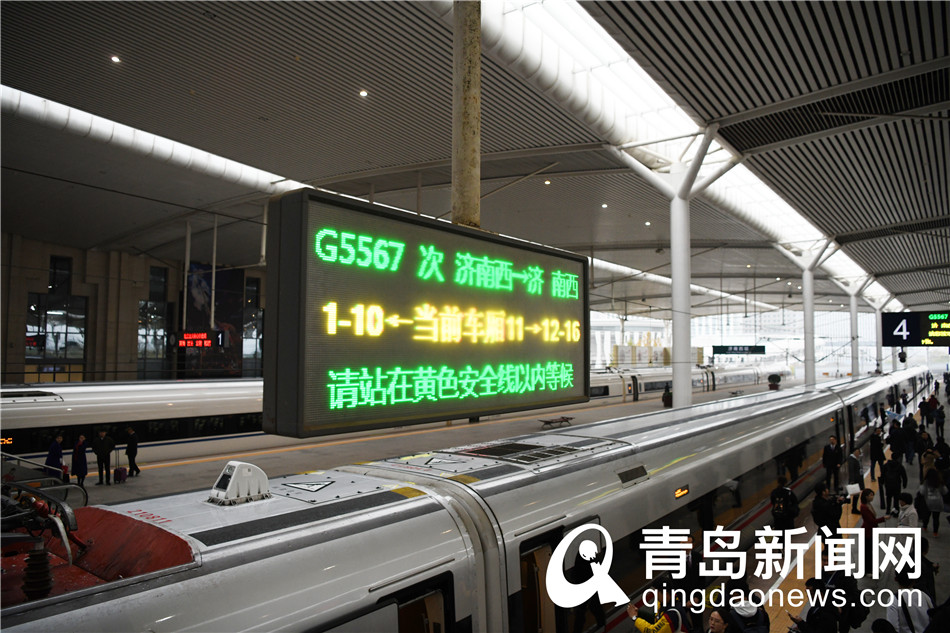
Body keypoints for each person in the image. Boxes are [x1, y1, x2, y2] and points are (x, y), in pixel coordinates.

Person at [811, 483, 845, 554]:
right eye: (826, 489)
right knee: (831, 543)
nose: (828, 490)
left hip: (823, 528)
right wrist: (838, 505)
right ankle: (827, 557)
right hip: (830, 528)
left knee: (828, 545)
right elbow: (836, 516)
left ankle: (827, 555)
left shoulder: (816, 502)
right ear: (823, 492)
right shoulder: (826, 505)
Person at [860, 488, 886, 571]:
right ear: (866, 496)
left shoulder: (869, 505)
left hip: (871, 530)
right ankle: (868, 569)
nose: (872, 497)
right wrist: (883, 518)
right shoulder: (864, 507)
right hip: (867, 531)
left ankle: (871, 568)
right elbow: (871, 521)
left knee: (871, 550)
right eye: (871, 495)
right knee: (868, 551)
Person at [917, 469, 948, 537]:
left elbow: (922, 492)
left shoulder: (926, 482)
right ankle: (935, 532)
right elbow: (945, 491)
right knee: (936, 518)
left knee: (927, 516)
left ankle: (925, 527)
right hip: (938, 503)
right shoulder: (940, 482)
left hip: (928, 502)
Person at [847, 449, 863, 514]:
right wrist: (852, 480)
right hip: (855, 480)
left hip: (857, 479)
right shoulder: (851, 460)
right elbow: (851, 471)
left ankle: (854, 508)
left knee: (856, 495)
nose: (858, 454)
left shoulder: (856, 459)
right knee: (855, 495)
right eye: (858, 453)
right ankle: (854, 509)